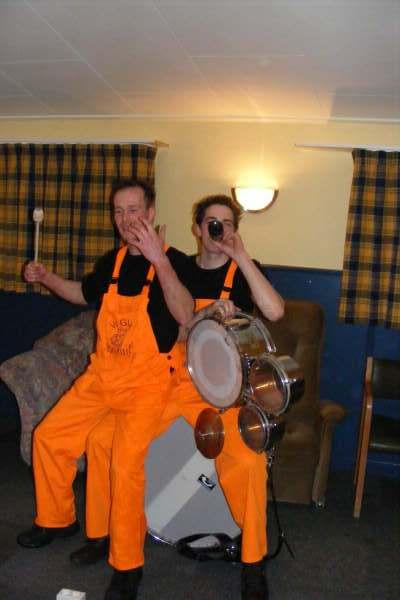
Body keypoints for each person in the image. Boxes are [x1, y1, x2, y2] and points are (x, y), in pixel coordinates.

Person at [69, 194, 284, 599]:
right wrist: (206, 314)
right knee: (102, 440)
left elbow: (274, 311)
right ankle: (109, 542)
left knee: (248, 461)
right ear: (197, 228)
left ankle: (253, 562)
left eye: (226, 224)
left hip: (219, 392)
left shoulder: (242, 272)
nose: (217, 230)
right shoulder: (179, 267)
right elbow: (176, 330)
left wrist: (241, 255)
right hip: (169, 381)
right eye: (211, 223)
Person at [16, 179, 196, 598]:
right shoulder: (111, 263)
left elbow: (185, 314)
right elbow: (82, 294)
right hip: (102, 377)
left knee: (125, 465)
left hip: (148, 383)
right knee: (49, 436)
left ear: (150, 213)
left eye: (133, 210)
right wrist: (47, 277)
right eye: (118, 211)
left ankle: (128, 564)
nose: (126, 219)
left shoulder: (175, 261)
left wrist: (159, 260)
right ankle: (58, 519)